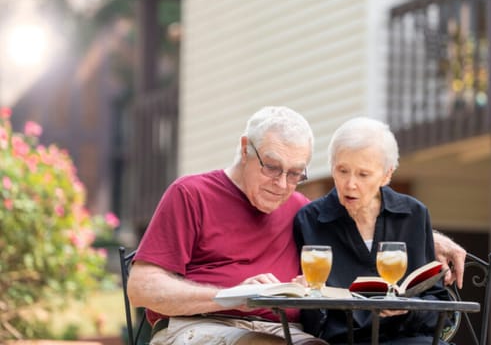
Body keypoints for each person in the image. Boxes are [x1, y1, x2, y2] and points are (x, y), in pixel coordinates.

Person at [128, 106, 466, 345]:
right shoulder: (192, 193)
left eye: (295, 173)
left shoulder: (299, 210)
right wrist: (234, 296)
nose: (282, 184)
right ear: (246, 149)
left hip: (287, 333)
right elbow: (141, 288)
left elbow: (362, 218)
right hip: (202, 327)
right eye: (272, 168)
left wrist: (430, 237)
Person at [293, 117, 452, 345]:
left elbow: (437, 304)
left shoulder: (413, 215)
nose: (350, 184)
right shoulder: (309, 220)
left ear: (387, 175)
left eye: (363, 174)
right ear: (332, 167)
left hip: (408, 339)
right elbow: (311, 318)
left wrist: (406, 309)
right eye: (342, 170)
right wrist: (305, 293)